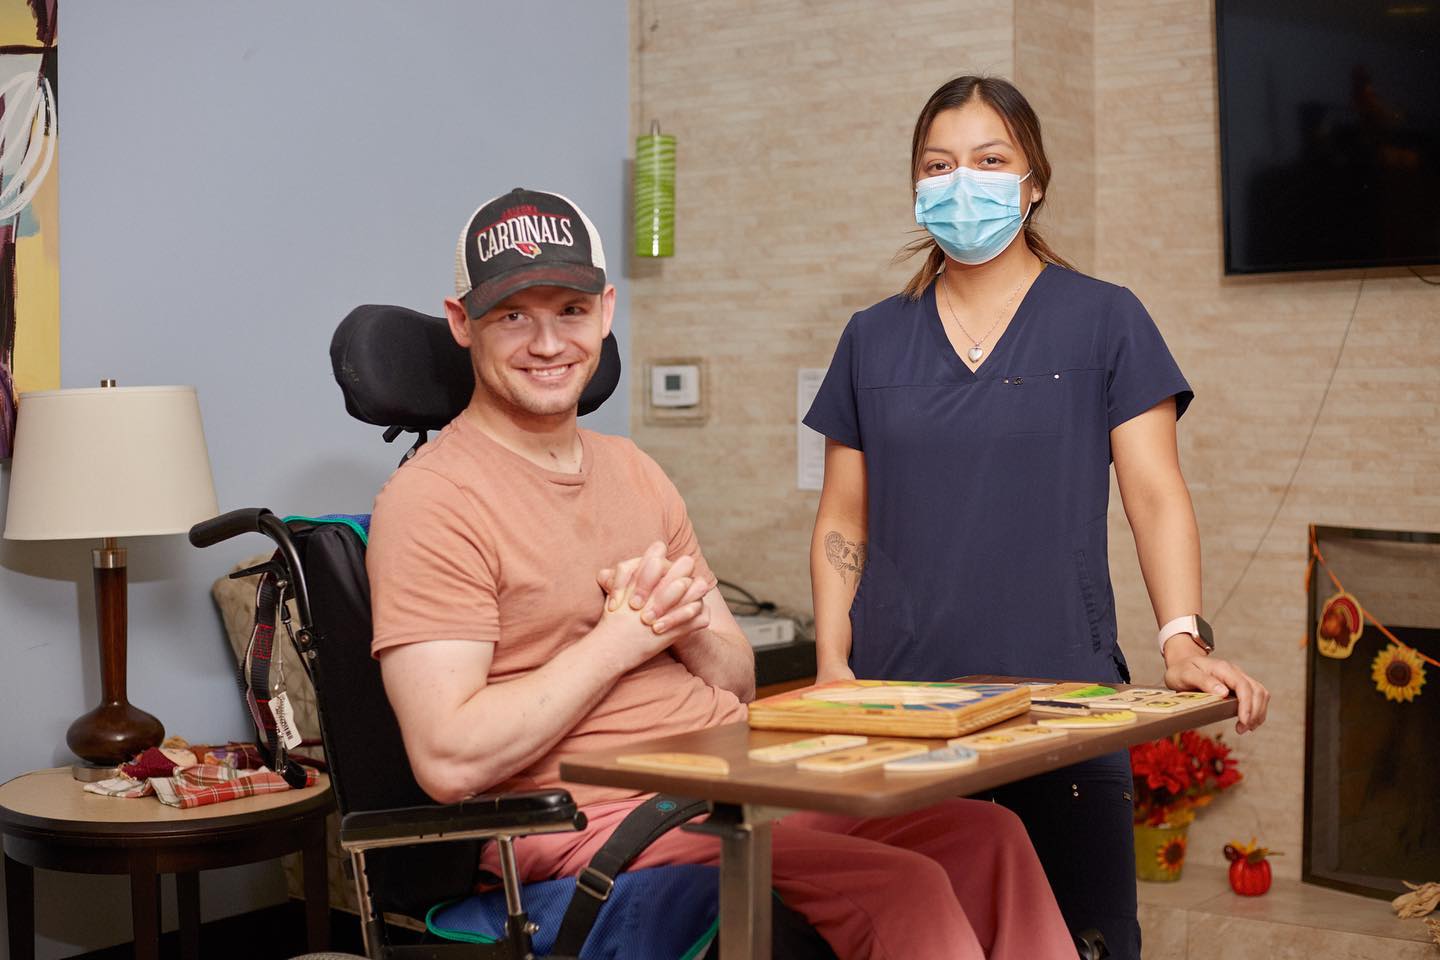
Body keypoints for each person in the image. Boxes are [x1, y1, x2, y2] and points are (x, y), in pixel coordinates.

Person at [367, 187, 1077, 959]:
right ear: (462, 321)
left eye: (570, 311)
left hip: (735, 780)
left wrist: (684, 625)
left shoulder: (634, 471)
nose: (547, 342)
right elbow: (449, 758)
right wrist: (620, 639)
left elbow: (735, 678)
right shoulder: (433, 500)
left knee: (985, 836)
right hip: (606, 820)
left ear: (606, 313)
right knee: (900, 886)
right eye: (513, 315)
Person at [803, 76, 1271, 960]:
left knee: (1081, 942)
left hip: (1064, 713)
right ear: (914, 185)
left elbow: (1155, 493)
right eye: (938, 165)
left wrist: (1181, 639)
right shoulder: (872, 337)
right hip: (905, 715)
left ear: (1034, 181)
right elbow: (842, 518)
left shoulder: (1104, 319)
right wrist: (833, 666)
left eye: (990, 160)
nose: (962, 182)